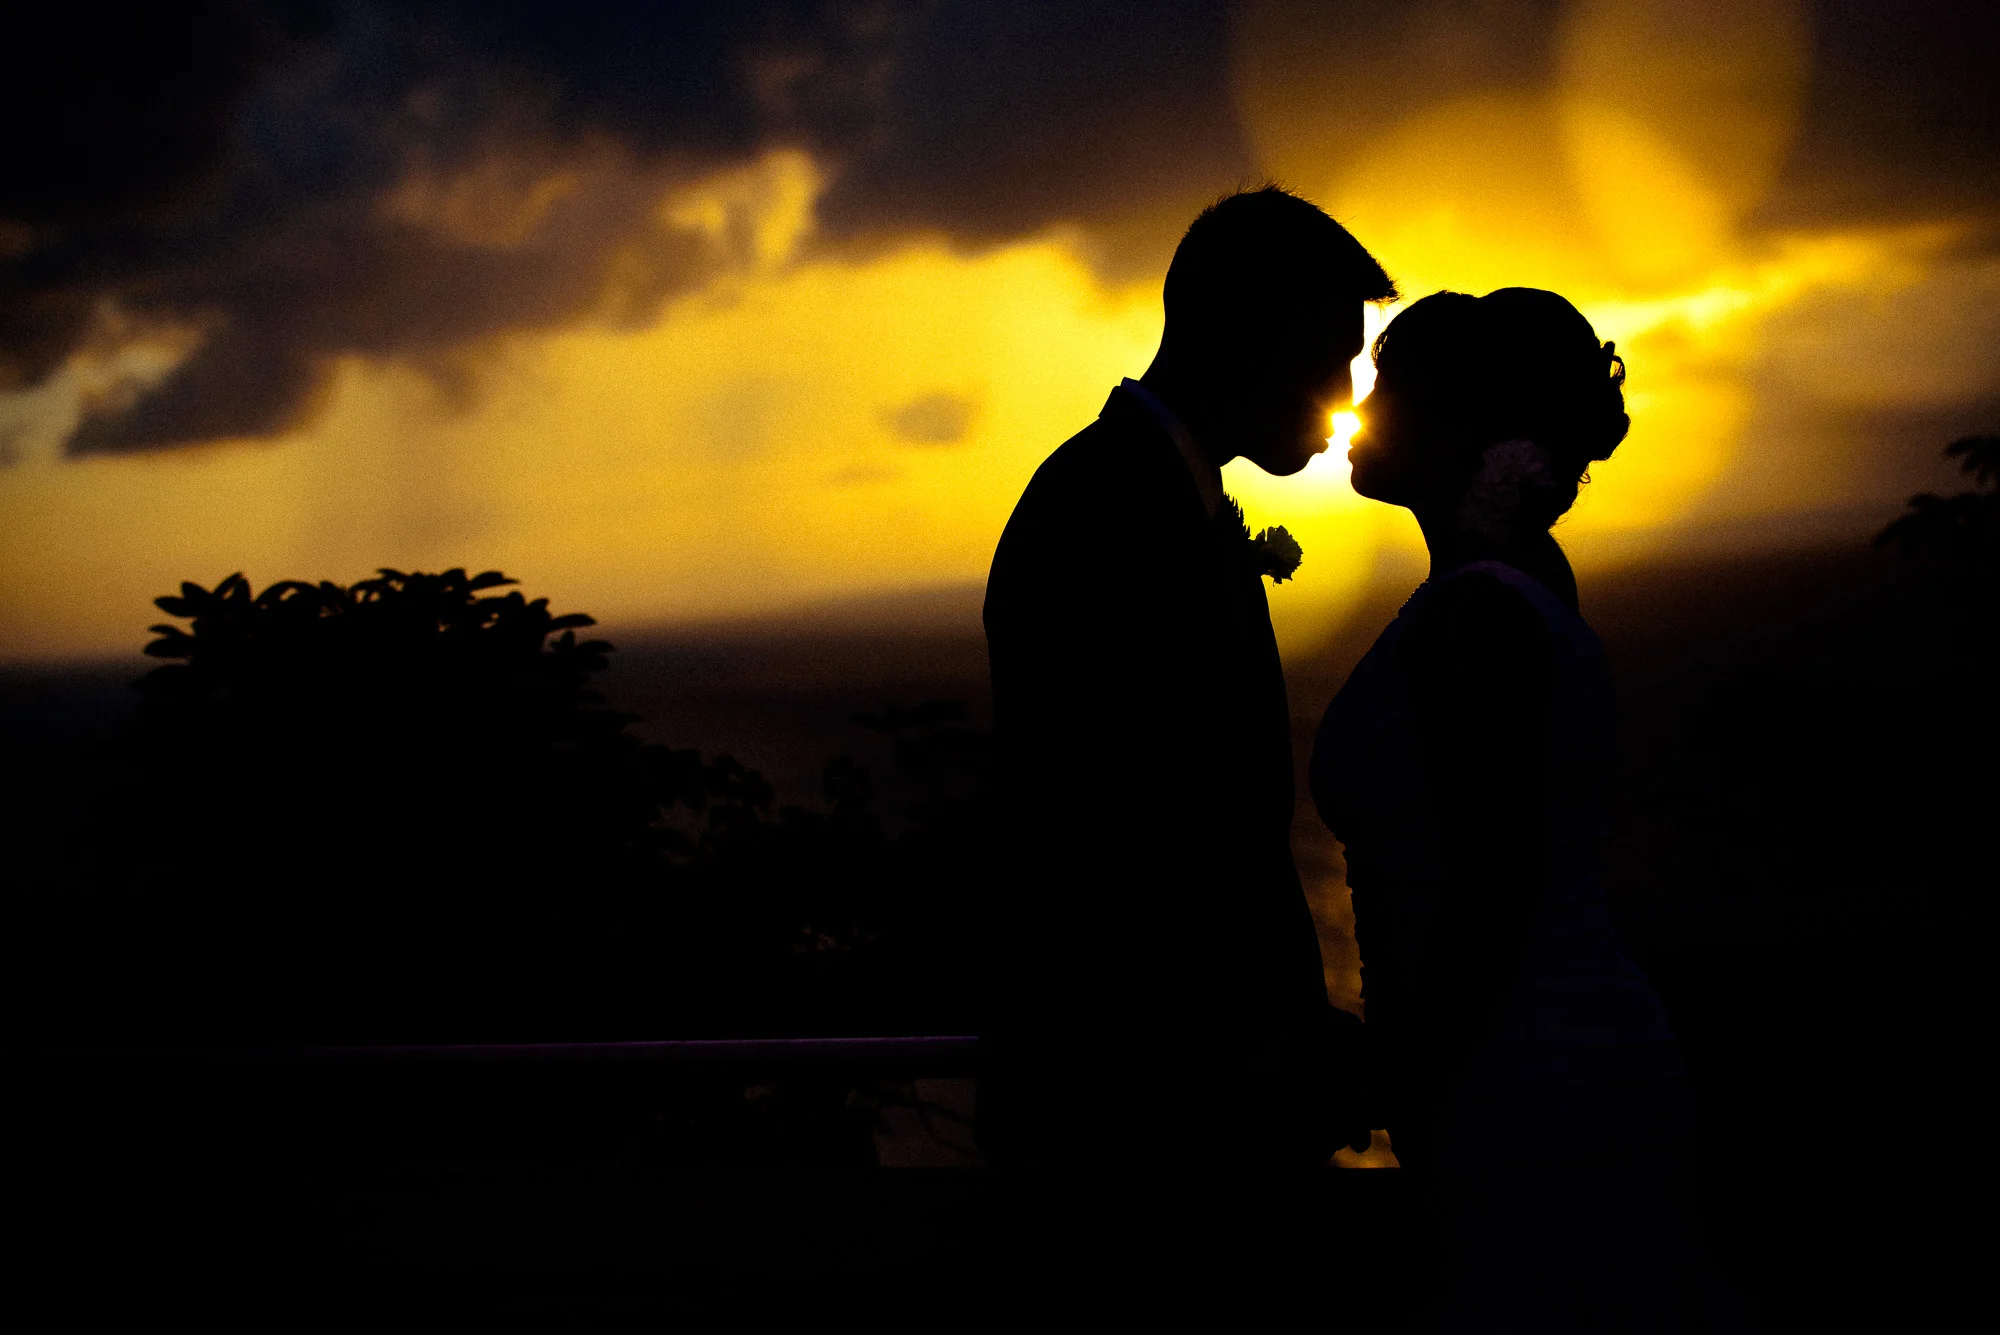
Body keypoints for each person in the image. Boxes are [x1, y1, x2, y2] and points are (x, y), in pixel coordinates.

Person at [1311, 289, 1745, 1329]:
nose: (1357, 409)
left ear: (1458, 426)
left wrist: (1393, 1073)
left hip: (1532, 1082)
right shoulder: (1520, 583)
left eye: (1390, 387)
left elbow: (1493, 888)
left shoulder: (1477, 618)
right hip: (1537, 1062)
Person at [978, 187, 1395, 1170]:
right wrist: (1253, 1053)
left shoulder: (1155, 495)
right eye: (1333, 357)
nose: (1346, 394)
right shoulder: (1101, 508)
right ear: (1254, 335)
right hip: (1142, 1116)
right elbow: (1124, 832)